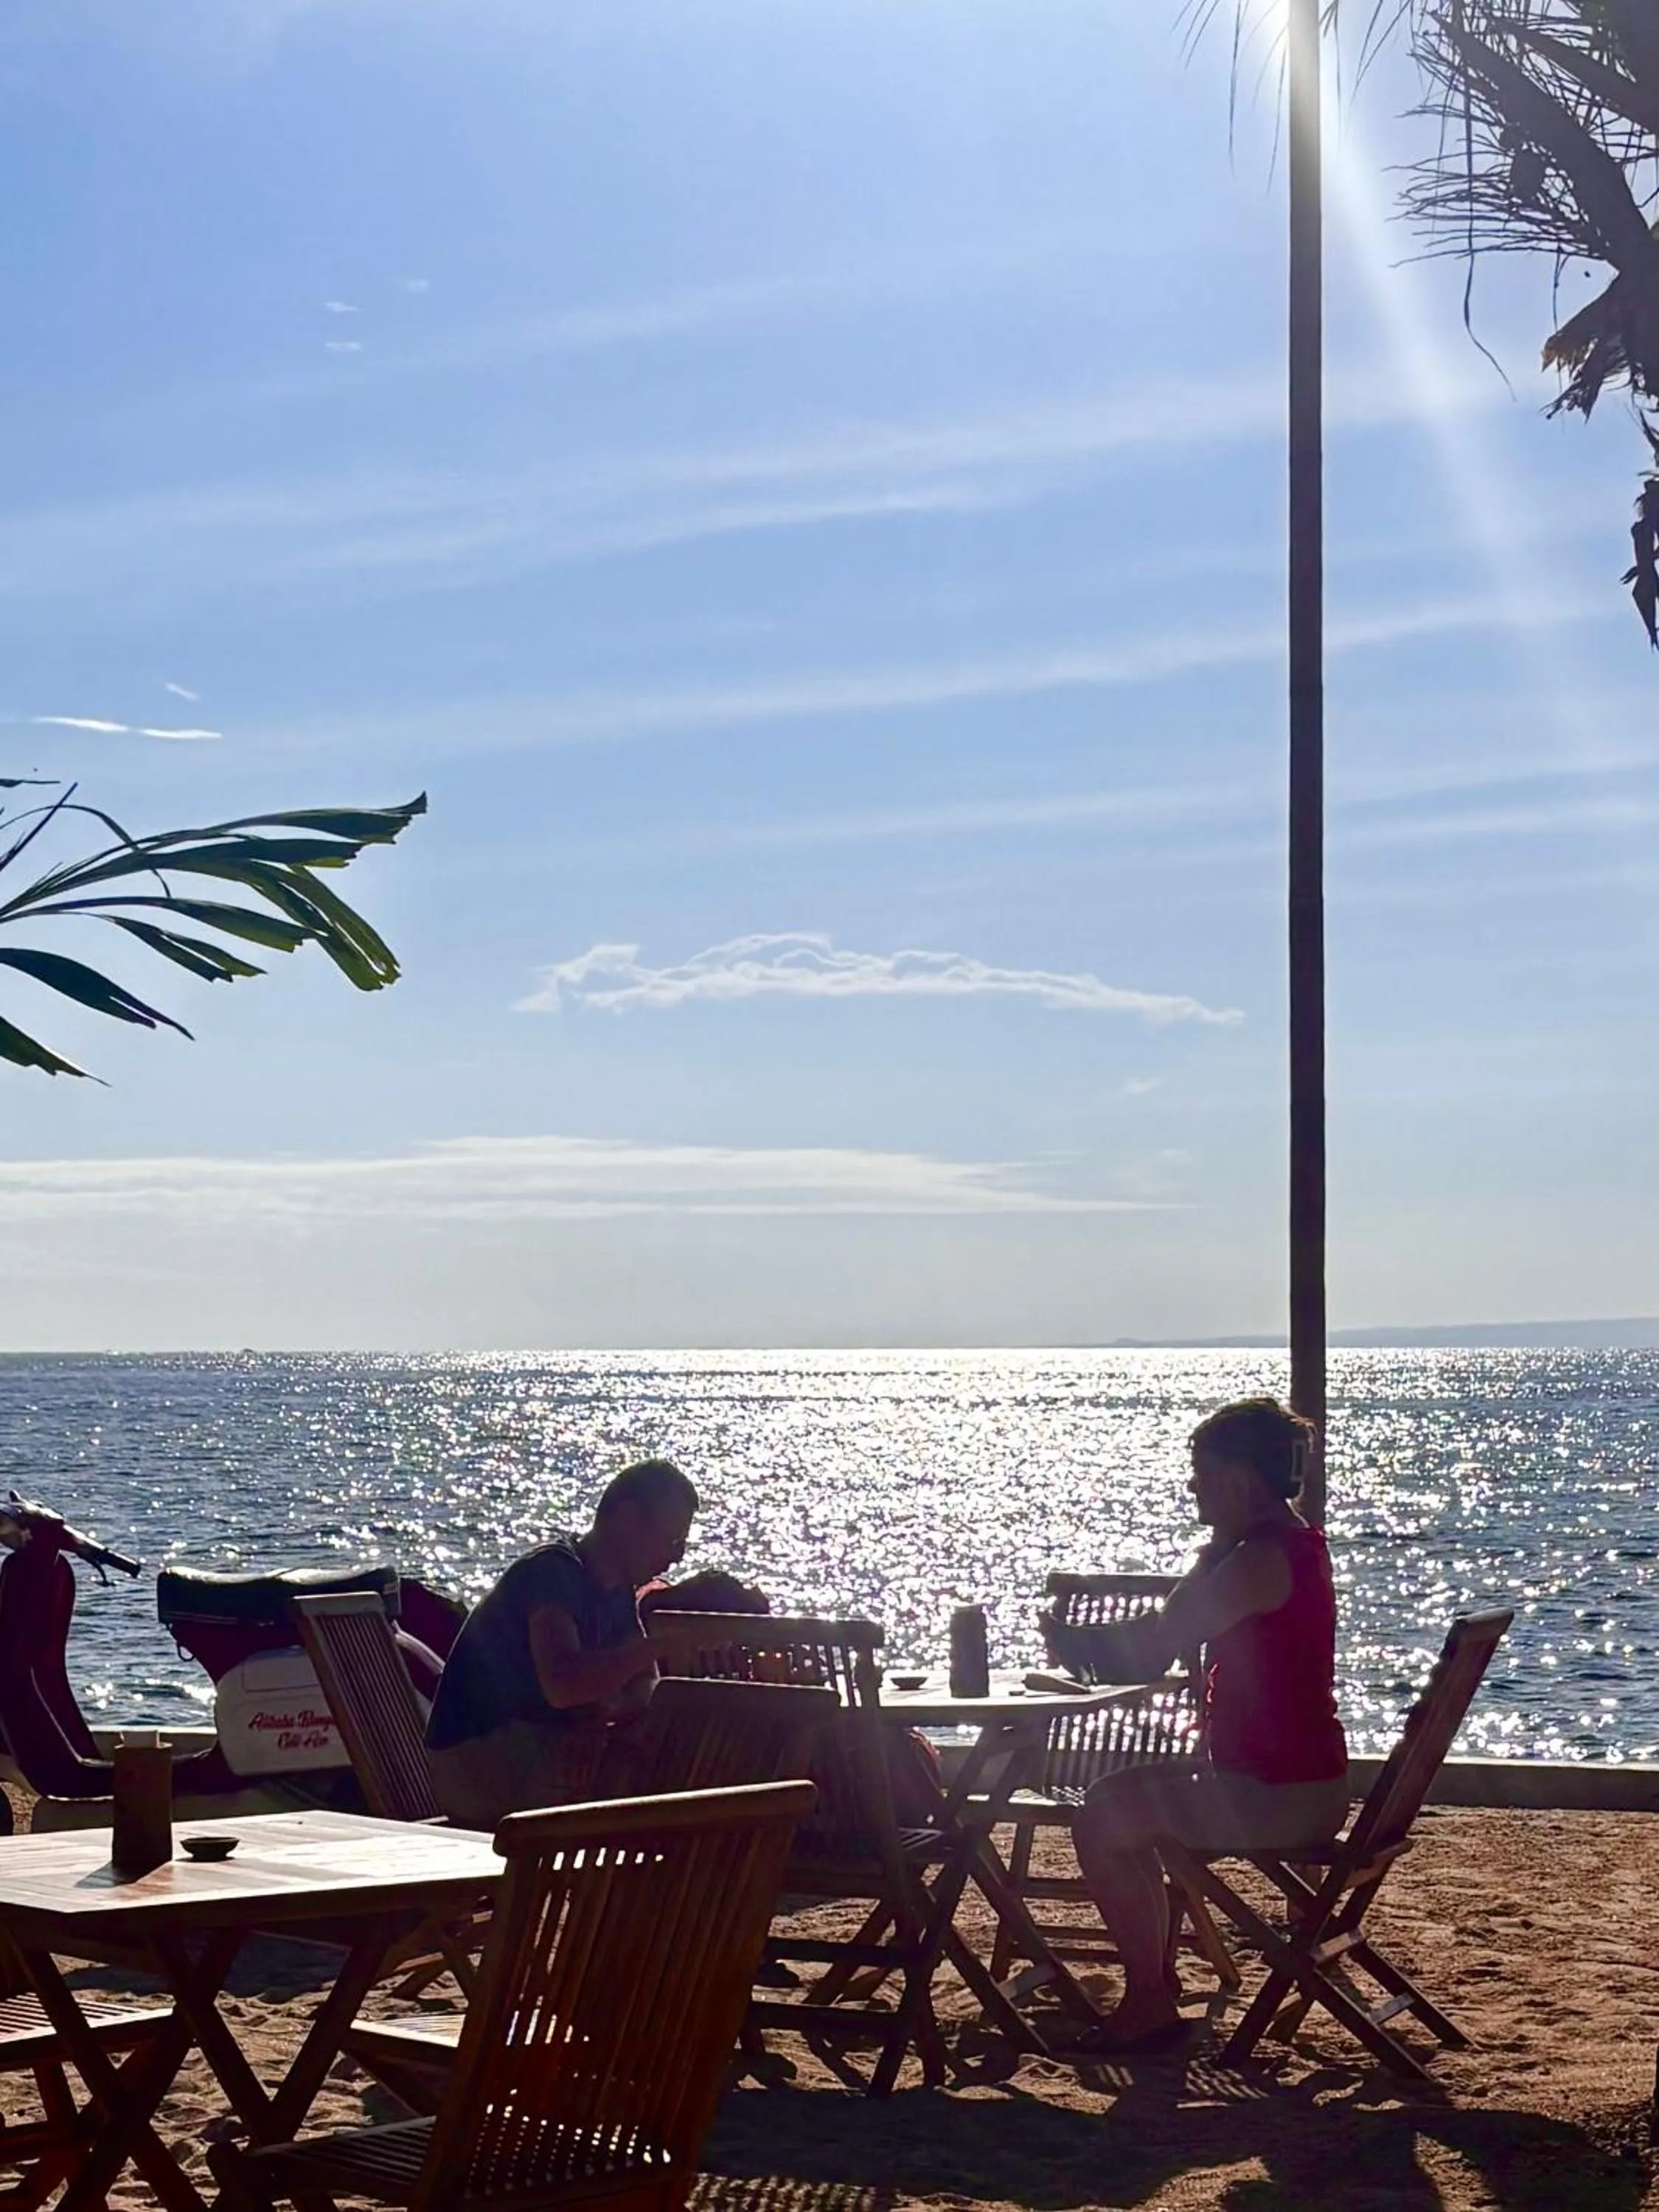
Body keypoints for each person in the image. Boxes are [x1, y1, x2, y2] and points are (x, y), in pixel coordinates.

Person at [1061, 1397, 1349, 2051]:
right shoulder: (1283, 1546)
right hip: (1295, 1779)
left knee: (1100, 1822)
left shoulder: (1257, 1561)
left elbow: (1164, 1637)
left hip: (1280, 1794)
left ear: (1240, 1479)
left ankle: (1148, 2001)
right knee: (1110, 1801)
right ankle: (1151, 1989)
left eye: (1202, 1470)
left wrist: (1075, 1647)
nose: (1192, 1485)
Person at [425, 1458, 698, 1828]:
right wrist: (657, 1647)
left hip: (538, 1748)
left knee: (665, 1751)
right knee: (656, 1770)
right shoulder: (552, 1573)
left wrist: (611, 1707)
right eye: (673, 1539)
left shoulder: (617, 1591)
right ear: (628, 1520)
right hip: (480, 1759)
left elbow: (646, 1686)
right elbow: (564, 1684)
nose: (678, 1555)